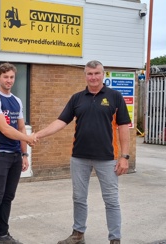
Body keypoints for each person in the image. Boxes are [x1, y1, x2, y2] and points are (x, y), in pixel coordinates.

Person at [36, 60, 130, 244]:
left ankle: (115, 238)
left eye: (97, 73)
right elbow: (61, 121)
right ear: (85, 75)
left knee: (111, 200)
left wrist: (124, 157)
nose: (93, 77)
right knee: (79, 197)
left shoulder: (115, 97)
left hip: (107, 158)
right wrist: (38, 134)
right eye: (89, 73)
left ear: (103, 74)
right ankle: (78, 234)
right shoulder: (77, 98)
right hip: (79, 157)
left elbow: (123, 127)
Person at [0, 62, 36, 244]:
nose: (9, 80)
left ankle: (3, 235)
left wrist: (24, 154)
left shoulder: (17, 100)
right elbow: (5, 129)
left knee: (8, 197)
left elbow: (20, 126)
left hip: (15, 155)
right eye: (5, 77)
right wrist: (28, 139)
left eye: (12, 77)